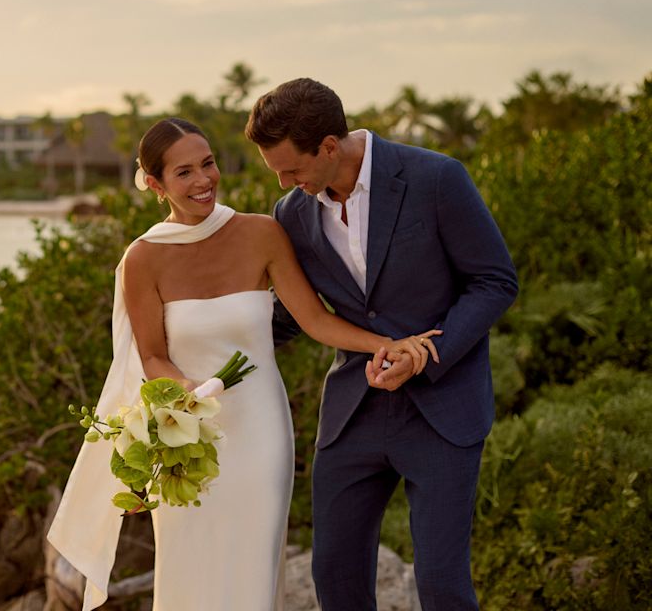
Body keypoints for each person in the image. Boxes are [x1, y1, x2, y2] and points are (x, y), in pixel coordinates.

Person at [47, 117, 441, 611]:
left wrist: (387, 342)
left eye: (208, 164)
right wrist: (183, 391)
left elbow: (316, 321)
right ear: (155, 184)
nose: (203, 181)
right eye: (184, 172)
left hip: (260, 431)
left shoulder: (262, 233)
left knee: (253, 569)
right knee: (190, 567)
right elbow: (152, 355)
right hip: (186, 439)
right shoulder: (143, 258)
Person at [245, 78, 519, 611]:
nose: (283, 182)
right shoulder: (292, 214)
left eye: (291, 168)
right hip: (353, 414)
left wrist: (427, 353)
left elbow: (494, 281)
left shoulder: (437, 178)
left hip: (444, 411)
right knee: (335, 578)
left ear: (329, 145)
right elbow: (295, 317)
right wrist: (211, 359)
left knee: (441, 585)